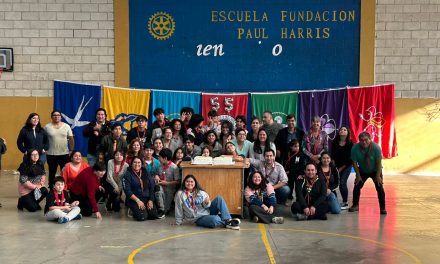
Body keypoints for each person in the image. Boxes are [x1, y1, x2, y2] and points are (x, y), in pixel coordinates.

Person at [175, 174, 240, 230]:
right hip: (197, 218)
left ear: (195, 183)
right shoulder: (180, 194)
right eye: (187, 181)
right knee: (215, 220)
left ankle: (228, 220)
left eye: (192, 182)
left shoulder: (201, 192)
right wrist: (178, 222)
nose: (189, 183)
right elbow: (178, 208)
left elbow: (207, 206)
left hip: (206, 212)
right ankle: (227, 222)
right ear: (184, 183)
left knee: (219, 198)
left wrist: (207, 202)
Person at [349, 132, 387, 215]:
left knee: (379, 187)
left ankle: (383, 208)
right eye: (361, 140)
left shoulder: (376, 148)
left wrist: (378, 176)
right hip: (362, 170)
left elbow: (378, 163)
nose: (364, 142)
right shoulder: (355, 148)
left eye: (366, 140)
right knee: (357, 186)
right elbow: (354, 163)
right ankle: (355, 205)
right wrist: (358, 176)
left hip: (375, 170)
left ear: (370, 139)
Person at [45, 110, 75, 189]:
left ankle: (64, 189)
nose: (56, 116)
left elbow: (71, 138)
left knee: (65, 172)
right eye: (54, 115)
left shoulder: (66, 126)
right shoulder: (47, 127)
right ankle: (51, 189)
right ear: (51, 117)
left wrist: (71, 150)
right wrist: (45, 149)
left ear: (61, 117)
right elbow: (43, 139)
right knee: (52, 173)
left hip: (64, 154)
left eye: (58, 115)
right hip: (51, 154)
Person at [122, 157, 158, 221]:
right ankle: (131, 209)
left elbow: (152, 186)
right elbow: (127, 191)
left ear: (141, 164)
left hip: (146, 198)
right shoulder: (127, 174)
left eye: (139, 162)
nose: (137, 164)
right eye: (135, 162)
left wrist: (151, 200)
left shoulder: (145, 172)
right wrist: (138, 201)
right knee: (142, 217)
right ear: (131, 163)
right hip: (135, 199)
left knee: (153, 216)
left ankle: (144, 210)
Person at [331, 127, 353, 210]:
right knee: (332, 181)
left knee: (342, 182)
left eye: (344, 130)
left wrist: (340, 169)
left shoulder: (350, 144)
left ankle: (345, 202)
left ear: (347, 132)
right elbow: (332, 156)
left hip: (347, 166)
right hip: (336, 165)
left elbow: (349, 160)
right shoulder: (334, 143)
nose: (342, 131)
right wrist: (334, 167)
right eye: (341, 130)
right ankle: (334, 199)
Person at [154, 148, 180, 215]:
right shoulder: (160, 165)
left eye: (160, 157)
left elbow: (178, 181)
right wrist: (156, 176)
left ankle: (164, 209)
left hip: (169, 190)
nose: (159, 159)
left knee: (166, 209)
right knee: (158, 189)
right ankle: (161, 210)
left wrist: (167, 183)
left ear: (165, 158)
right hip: (161, 187)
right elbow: (157, 174)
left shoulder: (174, 167)